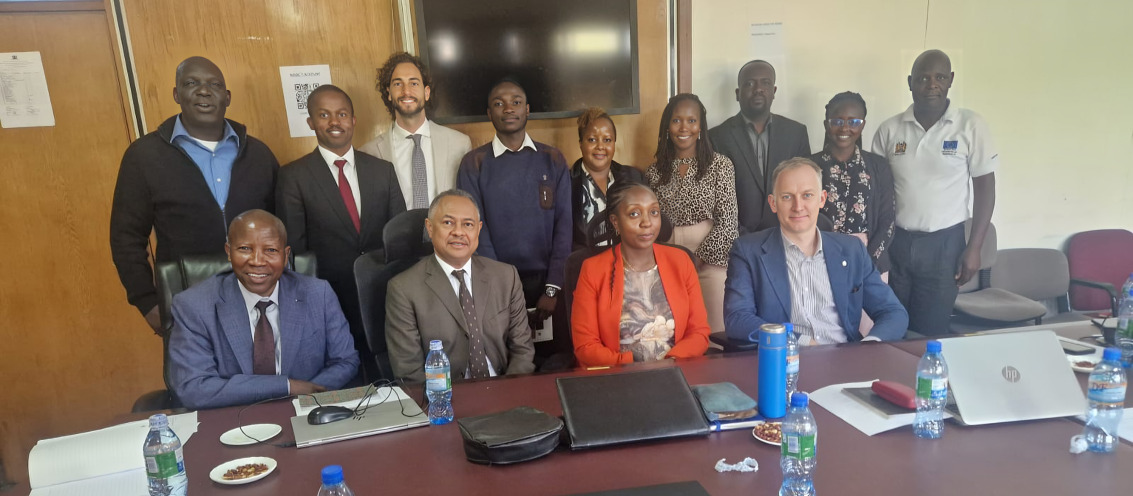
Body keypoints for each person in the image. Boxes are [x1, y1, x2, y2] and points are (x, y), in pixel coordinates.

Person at [111, 56, 278, 335]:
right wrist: (147, 301)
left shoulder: (259, 154)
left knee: (261, 375)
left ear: (227, 97)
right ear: (177, 94)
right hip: (185, 301)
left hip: (259, 298)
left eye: (214, 84)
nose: (203, 90)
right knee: (197, 378)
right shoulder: (144, 156)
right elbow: (126, 237)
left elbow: (280, 228)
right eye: (192, 83)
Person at [168, 210, 359, 410]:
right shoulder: (193, 305)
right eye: (244, 248)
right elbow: (194, 388)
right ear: (228, 251)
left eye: (270, 250)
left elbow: (345, 361)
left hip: (306, 414)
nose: (257, 261)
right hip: (232, 418)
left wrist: (306, 399)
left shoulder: (318, 294)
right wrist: (287, 387)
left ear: (286, 256)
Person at [276, 85, 406, 378]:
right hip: (327, 300)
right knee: (342, 380)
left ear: (353, 120)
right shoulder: (293, 176)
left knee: (386, 380)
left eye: (342, 114)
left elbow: (398, 237)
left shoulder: (382, 170)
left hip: (382, 296)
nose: (335, 122)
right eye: (324, 115)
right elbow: (295, 250)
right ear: (311, 123)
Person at [872, 49, 997, 336]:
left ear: (951, 80)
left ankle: (927, 380)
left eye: (940, 77)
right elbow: (876, 193)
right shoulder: (889, 129)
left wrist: (974, 248)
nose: (932, 84)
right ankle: (891, 382)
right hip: (896, 243)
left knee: (931, 332)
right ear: (910, 82)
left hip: (945, 245)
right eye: (923, 78)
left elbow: (985, 189)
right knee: (893, 327)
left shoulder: (970, 125)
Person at [723, 158, 908, 344]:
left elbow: (893, 312)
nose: (798, 206)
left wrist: (868, 346)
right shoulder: (748, 251)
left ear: (822, 199)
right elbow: (738, 319)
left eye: (807, 195)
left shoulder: (852, 250)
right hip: (785, 360)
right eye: (787, 197)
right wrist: (797, 341)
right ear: (773, 203)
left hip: (846, 361)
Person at [457, 79, 572, 358]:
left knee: (551, 359)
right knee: (507, 361)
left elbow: (564, 225)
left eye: (516, 102)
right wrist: (499, 288)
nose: (508, 108)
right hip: (496, 285)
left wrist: (553, 288)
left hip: (547, 284)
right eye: (499, 103)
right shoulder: (474, 163)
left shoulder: (553, 159)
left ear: (527, 109)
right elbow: (475, 230)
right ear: (489, 113)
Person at [385, 189, 535, 381]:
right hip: (442, 400)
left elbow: (523, 351)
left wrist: (509, 396)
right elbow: (409, 372)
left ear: (478, 229)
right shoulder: (403, 289)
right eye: (448, 223)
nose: (458, 232)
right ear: (430, 228)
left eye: (468, 224)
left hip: (504, 389)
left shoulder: (506, 276)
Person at [571, 182, 711, 367]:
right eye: (634, 214)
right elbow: (586, 347)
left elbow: (699, 333)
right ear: (615, 221)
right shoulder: (593, 270)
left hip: (677, 373)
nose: (647, 222)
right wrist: (629, 363)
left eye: (654, 212)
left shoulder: (680, 261)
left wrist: (671, 363)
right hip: (618, 379)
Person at [646, 93, 738, 335]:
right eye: (676, 121)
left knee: (714, 334)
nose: (684, 127)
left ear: (701, 126)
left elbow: (728, 222)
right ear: (667, 126)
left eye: (691, 120)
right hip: (667, 260)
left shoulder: (721, 165)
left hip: (710, 261)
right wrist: (674, 261)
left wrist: (697, 259)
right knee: (671, 333)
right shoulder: (654, 172)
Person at [708, 60, 810, 234]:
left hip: (786, 234)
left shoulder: (796, 133)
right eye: (749, 84)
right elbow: (714, 196)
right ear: (738, 94)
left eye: (766, 83)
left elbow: (804, 186)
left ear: (774, 91)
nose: (758, 89)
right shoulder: (717, 136)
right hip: (737, 238)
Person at [360, 52, 472, 209]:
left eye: (414, 83)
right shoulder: (370, 153)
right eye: (398, 84)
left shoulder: (459, 144)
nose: (406, 91)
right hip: (396, 233)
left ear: (426, 93)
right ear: (389, 93)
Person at [810, 91, 895, 275]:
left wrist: (868, 261)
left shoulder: (878, 166)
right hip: (819, 262)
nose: (845, 128)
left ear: (863, 125)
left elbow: (887, 220)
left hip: (870, 262)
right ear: (826, 124)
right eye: (837, 121)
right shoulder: (810, 166)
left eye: (854, 122)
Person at [570, 107, 645, 249]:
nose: (600, 146)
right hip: (586, 264)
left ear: (614, 143)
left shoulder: (634, 178)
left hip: (628, 262)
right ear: (581, 143)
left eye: (607, 140)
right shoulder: (566, 183)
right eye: (592, 140)